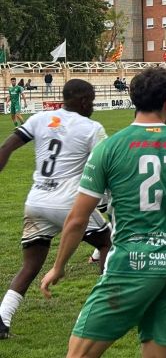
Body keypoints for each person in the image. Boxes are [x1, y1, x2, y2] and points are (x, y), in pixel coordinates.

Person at [39, 67, 166, 358]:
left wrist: (59, 266)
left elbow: (77, 219)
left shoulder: (109, 148)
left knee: (78, 355)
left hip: (130, 266)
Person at [0, 80, 111, 340]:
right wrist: (107, 203)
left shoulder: (40, 118)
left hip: (37, 201)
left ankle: (2, 317)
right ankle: (106, 310)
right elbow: (105, 169)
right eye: (92, 101)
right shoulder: (92, 128)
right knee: (107, 243)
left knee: (31, 264)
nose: (93, 106)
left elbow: (6, 147)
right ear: (84, 101)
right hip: (69, 205)